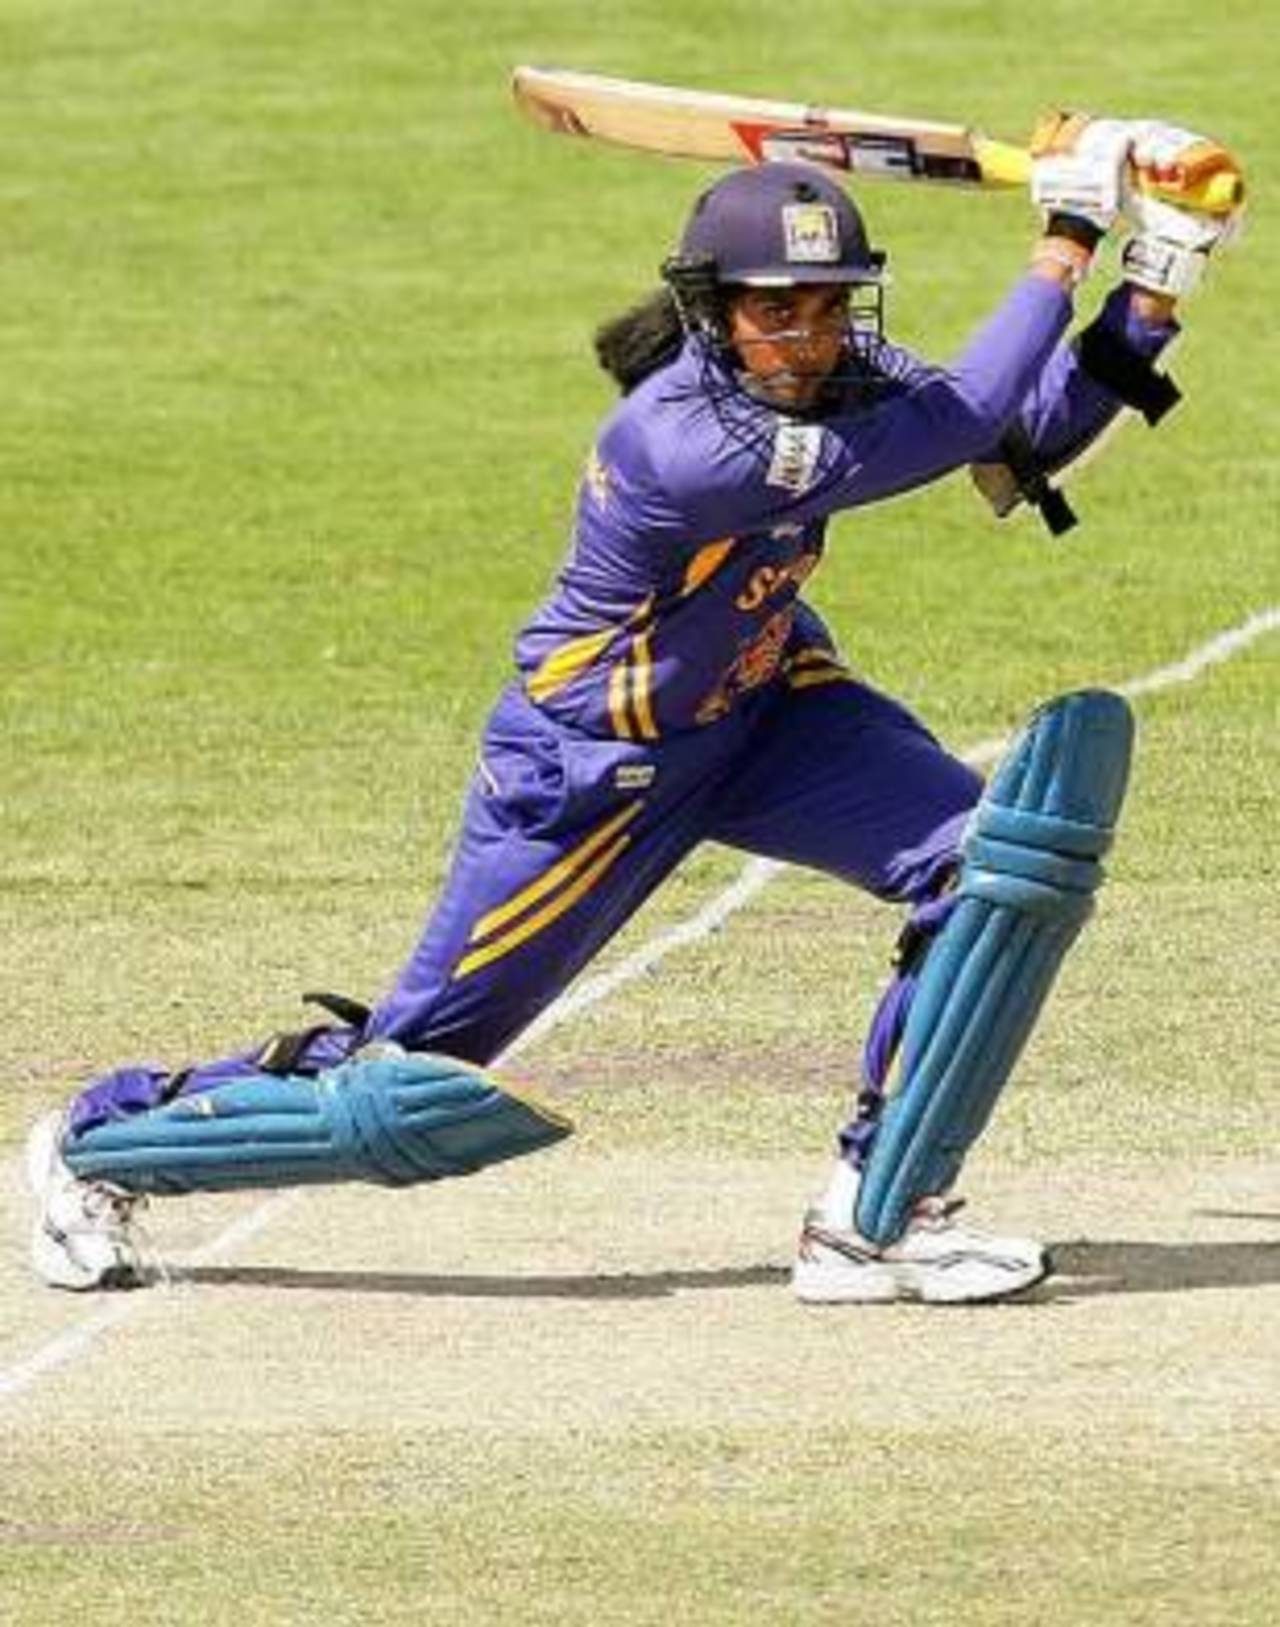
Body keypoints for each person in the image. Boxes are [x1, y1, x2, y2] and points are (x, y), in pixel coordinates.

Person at [26, 114, 1238, 1303]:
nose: (806, 337)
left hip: (765, 710)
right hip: (590, 769)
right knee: (418, 1070)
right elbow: (963, 417)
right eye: (775, 308)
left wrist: (1159, 269)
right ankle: (95, 1143)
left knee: (990, 876)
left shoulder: (831, 381)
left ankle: (873, 1223)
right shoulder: (683, 443)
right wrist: (1065, 234)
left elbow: (1013, 452)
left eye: (826, 306)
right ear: (712, 310)